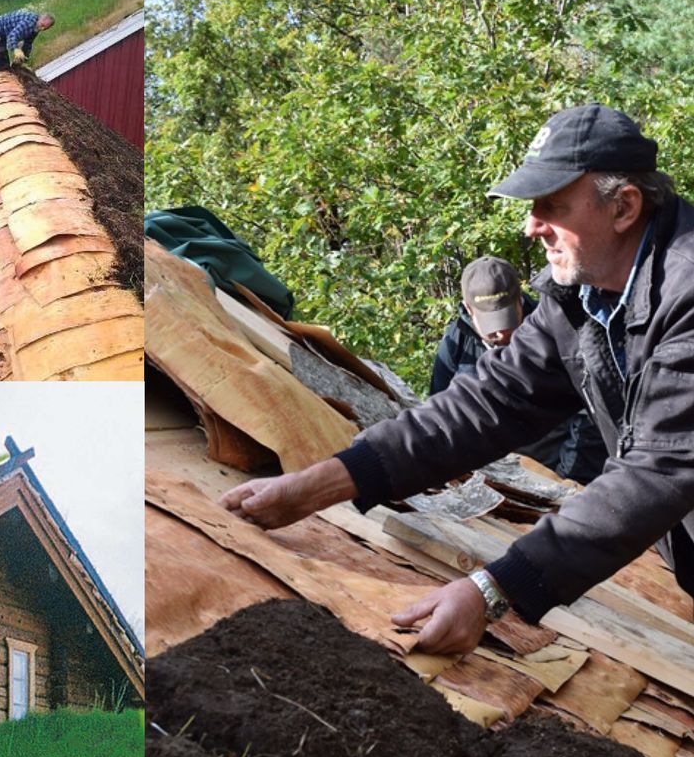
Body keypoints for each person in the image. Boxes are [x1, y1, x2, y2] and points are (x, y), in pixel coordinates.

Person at [221, 103, 694, 655]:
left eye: (552, 206)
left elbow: (657, 472)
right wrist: (325, 482)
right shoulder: (582, 298)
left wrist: (493, 590)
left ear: (624, 207)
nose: (531, 225)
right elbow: (489, 402)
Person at [431, 255, 607, 484]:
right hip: (487, 479)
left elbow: (590, 416)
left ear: (520, 300)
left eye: (508, 319)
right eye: (491, 326)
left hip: (552, 473)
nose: (502, 333)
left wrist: (565, 479)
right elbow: (441, 412)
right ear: (468, 309)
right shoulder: (456, 341)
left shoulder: (557, 328)